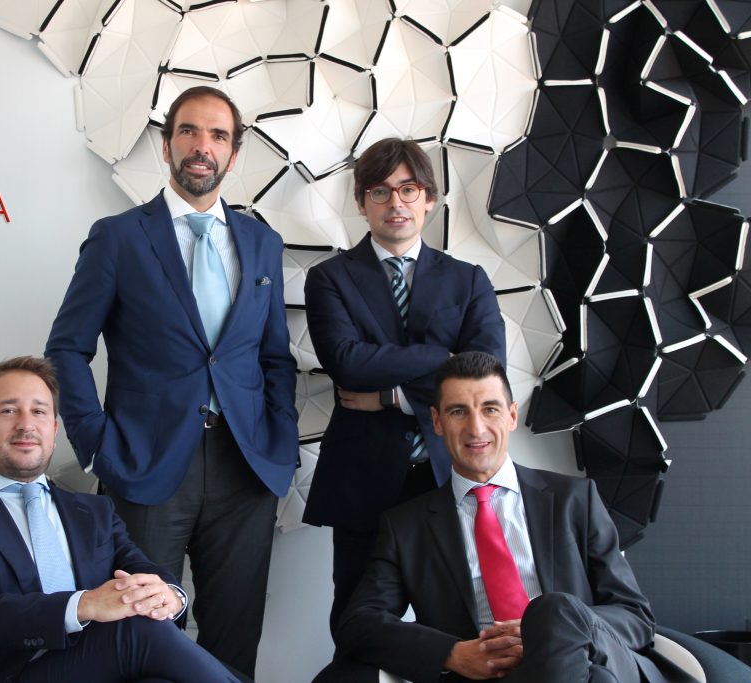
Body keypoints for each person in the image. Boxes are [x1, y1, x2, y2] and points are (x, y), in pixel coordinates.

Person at [44, 86, 299, 677]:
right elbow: (67, 348)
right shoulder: (118, 237)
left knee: (235, 635)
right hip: (145, 464)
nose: (202, 146)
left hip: (246, 467)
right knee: (143, 636)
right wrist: (98, 447)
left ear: (233, 154)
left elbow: (274, 357)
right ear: (166, 146)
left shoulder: (261, 243)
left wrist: (280, 442)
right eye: (189, 131)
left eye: (218, 135)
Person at [314, 351, 685, 683]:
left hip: (581, 660)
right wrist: (452, 654)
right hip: (488, 677)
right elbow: (359, 623)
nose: (476, 428)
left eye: (490, 409)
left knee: (554, 613)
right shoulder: (405, 526)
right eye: (458, 411)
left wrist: (554, 632)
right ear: (437, 421)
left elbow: (635, 616)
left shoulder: (575, 499)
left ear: (511, 416)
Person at [0, 356, 240, 683]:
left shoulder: (95, 512)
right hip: (6, 673)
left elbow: (141, 570)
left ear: (53, 431)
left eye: (39, 411)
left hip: (105, 665)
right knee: (137, 630)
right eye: (8, 410)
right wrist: (84, 605)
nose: (26, 424)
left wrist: (170, 595)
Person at [301, 137, 507, 634]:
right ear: (361, 202)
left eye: (409, 189)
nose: (395, 202)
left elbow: (485, 374)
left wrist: (392, 396)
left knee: (465, 625)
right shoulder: (329, 278)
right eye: (380, 191)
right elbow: (347, 363)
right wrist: (442, 358)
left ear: (429, 199)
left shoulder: (468, 280)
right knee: (359, 623)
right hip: (364, 478)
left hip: (449, 474)